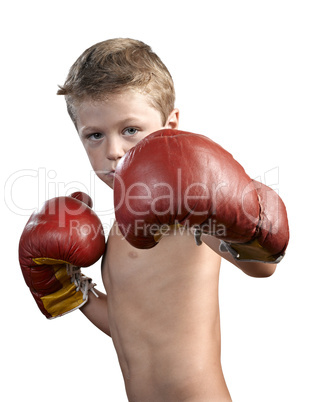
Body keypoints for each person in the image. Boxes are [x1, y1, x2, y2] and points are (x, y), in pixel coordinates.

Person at [20, 38, 289, 401]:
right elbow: (128, 329)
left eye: (130, 129)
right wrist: (73, 293)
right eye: (95, 136)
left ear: (171, 126)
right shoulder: (123, 227)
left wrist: (211, 209)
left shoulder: (188, 209)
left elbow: (262, 268)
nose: (113, 151)